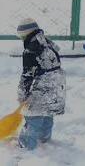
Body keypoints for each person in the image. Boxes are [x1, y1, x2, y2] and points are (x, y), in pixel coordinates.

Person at [17, 18, 66, 150]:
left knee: (33, 113)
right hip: (58, 81)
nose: (21, 39)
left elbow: (27, 75)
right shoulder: (47, 41)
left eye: (21, 36)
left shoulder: (30, 50)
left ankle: (27, 143)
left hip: (45, 83)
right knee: (47, 110)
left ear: (27, 34)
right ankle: (44, 137)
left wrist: (22, 93)